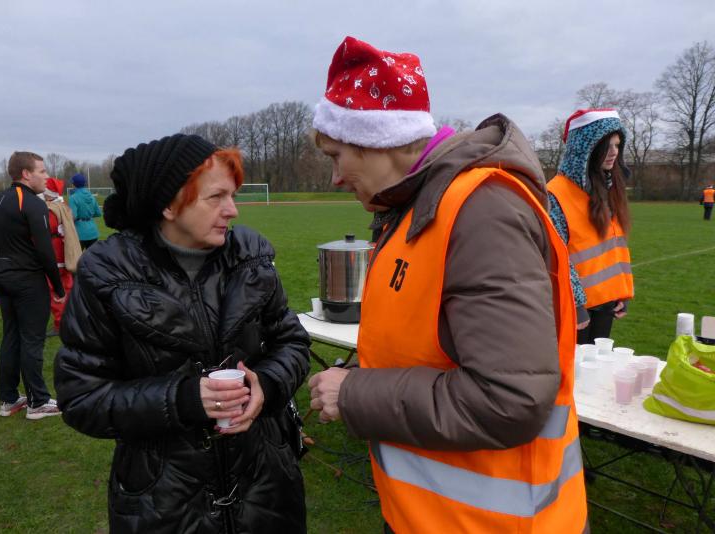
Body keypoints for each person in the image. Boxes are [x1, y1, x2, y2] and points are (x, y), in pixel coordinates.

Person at [307, 36, 587, 533]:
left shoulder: (480, 211)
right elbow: (432, 344)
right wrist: (362, 371)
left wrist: (355, 393)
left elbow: (510, 398)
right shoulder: (416, 210)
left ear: (375, 140)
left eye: (336, 155)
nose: (334, 178)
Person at [54, 133, 310, 533]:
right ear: (169, 204)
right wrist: (183, 399)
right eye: (216, 197)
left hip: (267, 488)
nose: (232, 210)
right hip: (164, 503)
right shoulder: (106, 273)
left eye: (233, 195)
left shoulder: (251, 256)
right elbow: (81, 396)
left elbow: (291, 341)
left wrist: (269, 384)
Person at [0, 152, 65, 420]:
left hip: (2, 275)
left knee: (11, 336)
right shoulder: (33, 203)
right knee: (31, 339)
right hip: (26, 280)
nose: (47, 176)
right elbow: (45, 251)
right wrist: (58, 286)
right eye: (42, 171)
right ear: (26, 174)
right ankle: (38, 402)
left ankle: (8, 399)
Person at [548, 109, 633, 344]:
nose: (614, 152)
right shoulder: (555, 193)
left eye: (617, 145)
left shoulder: (608, 189)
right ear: (584, 148)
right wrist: (575, 304)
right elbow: (556, 254)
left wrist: (620, 291)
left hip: (606, 302)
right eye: (606, 145)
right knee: (576, 366)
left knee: (599, 363)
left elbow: (613, 246)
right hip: (577, 307)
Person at [41, 177, 82, 336]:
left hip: (56, 251)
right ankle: (72, 317)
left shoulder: (51, 210)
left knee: (55, 287)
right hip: (64, 249)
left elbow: (48, 229)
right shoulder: (63, 205)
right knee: (67, 284)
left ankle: (60, 323)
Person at [69, 173, 102, 249]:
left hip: (79, 233)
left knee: (77, 256)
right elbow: (98, 213)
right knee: (93, 256)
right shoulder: (91, 196)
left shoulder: (73, 197)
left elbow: (73, 217)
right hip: (93, 232)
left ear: (73, 184)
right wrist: (88, 216)